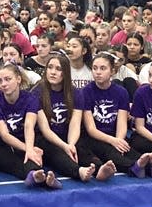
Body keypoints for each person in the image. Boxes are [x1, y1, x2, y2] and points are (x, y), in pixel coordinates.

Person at [35, 52, 116, 182]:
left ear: (65, 72)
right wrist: (64, 146)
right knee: (56, 152)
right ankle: (78, 171)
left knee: (80, 147)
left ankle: (99, 168)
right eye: (50, 67)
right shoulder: (37, 92)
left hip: (67, 134)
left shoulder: (75, 93)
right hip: (45, 137)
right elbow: (45, 129)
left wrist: (71, 144)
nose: (53, 72)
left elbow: (75, 123)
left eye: (58, 69)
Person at [81, 52, 152, 178]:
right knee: (109, 151)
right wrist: (113, 141)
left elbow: (122, 122)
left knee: (126, 149)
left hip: (114, 135)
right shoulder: (86, 92)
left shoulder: (121, 92)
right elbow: (91, 129)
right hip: (95, 138)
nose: (98, 72)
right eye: (95, 68)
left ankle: (149, 166)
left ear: (112, 71)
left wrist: (119, 140)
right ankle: (135, 167)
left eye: (103, 68)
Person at [0, 63, 61, 188]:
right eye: (0, 81)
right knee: (11, 159)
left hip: (21, 140)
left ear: (18, 79)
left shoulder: (30, 98)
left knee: (32, 155)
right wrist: (29, 149)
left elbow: (28, 126)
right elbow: (4, 135)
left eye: (8, 79)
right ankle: (35, 175)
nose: (3, 84)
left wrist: (29, 148)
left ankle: (40, 175)